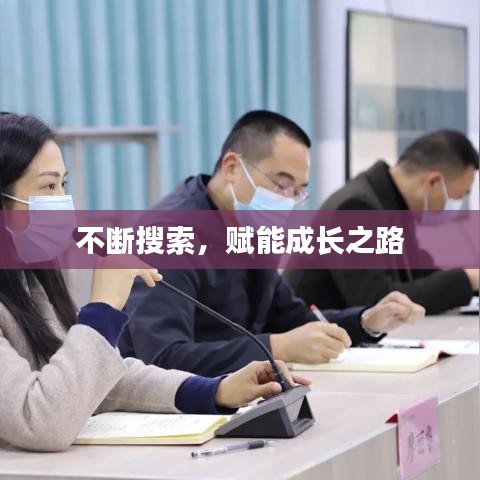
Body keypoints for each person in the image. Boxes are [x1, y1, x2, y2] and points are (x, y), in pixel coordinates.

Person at [0, 112, 308, 453]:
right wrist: (102, 310)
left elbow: (100, 381)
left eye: (64, 185)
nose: (63, 203)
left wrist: (216, 390)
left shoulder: (30, 283)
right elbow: (41, 422)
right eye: (48, 186)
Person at [119, 110, 425, 377]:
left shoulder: (249, 226)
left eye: (298, 191)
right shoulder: (168, 234)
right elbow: (162, 358)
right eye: (282, 184)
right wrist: (277, 346)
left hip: (240, 391)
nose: (288, 200)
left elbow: (294, 319)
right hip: (173, 407)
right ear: (232, 167)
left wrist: (366, 321)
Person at [283, 130, 479, 314]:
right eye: (458, 196)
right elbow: (378, 301)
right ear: (433, 182)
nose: (456, 206)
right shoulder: (355, 208)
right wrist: (467, 279)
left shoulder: (393, 203)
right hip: (310, 333)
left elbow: (419, 273)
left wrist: (472, 281)